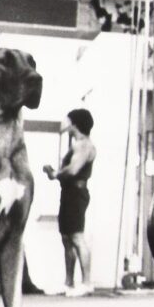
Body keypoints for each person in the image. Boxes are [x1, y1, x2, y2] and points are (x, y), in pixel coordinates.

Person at [42, 109, 96, 297]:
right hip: (68, 192)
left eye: (68, 120)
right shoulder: (76, 145)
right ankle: (69, 282)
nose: (65, 123)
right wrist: (55, 173)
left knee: (76, 237)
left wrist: (56, 173)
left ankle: (87, 283)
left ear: (75, 123)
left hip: (76, 193)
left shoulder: (84, 145)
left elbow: (73, 170)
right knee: (66, 238)